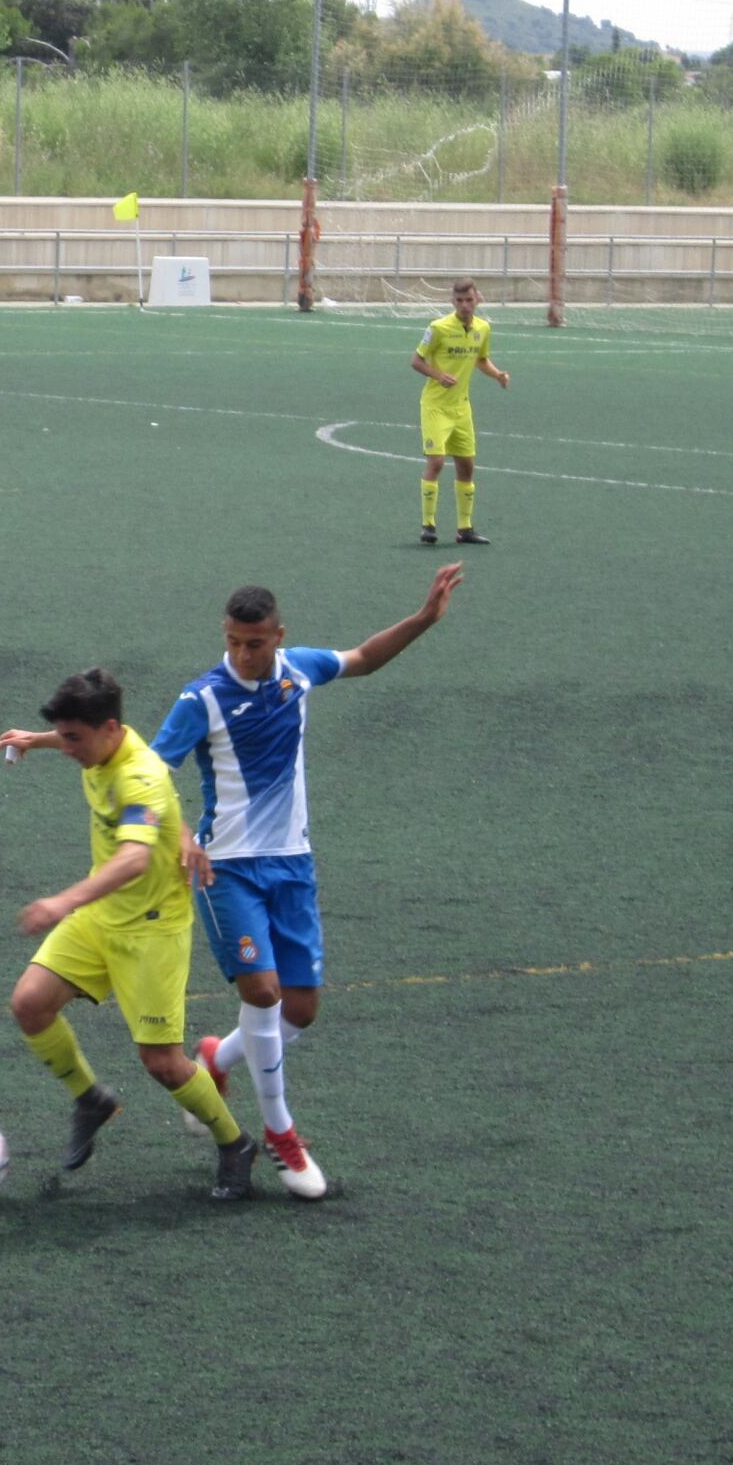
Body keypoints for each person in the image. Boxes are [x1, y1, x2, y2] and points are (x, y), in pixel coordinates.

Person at [153, 567, 468, 1200]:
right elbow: (152, 771)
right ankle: (281, 1136)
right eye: (235, 641)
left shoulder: (299, 670)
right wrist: (183, 833)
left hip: (293, 863)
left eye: (256, 642)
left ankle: (216, 1058)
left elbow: (362, 658)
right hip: (228, 870)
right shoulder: (202, 698)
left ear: (278, 636)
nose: (244, 653)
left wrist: (423, 619)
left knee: (301, 1009)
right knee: (265, 994)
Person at [0, 668, 258, 1200]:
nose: (69, 750)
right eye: (64, 737)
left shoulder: (137, 776)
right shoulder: (103, 743)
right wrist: (38, 739)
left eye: (75, 739)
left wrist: (62, 900)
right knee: (29, 1004)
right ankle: (90, 1099)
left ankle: (235, 1142)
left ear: (110, 729)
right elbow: (75, 738)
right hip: (101, 918)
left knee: (162, 1063)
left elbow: (136, 858)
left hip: (151, 932)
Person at [411, 279, 509, 544]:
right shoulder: (438, 328)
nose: (464, 305)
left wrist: (497, 374)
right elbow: (416, 361)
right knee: (437, 462)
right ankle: (428, 525)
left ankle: (464, 529)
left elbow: (480, 359)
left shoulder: (483, 328)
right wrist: (438, 374)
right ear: (452, 302)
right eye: (459, 301)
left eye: (469, 300)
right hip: (435, 406)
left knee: (466, 466)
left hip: (461, 408)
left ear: (478, 299)